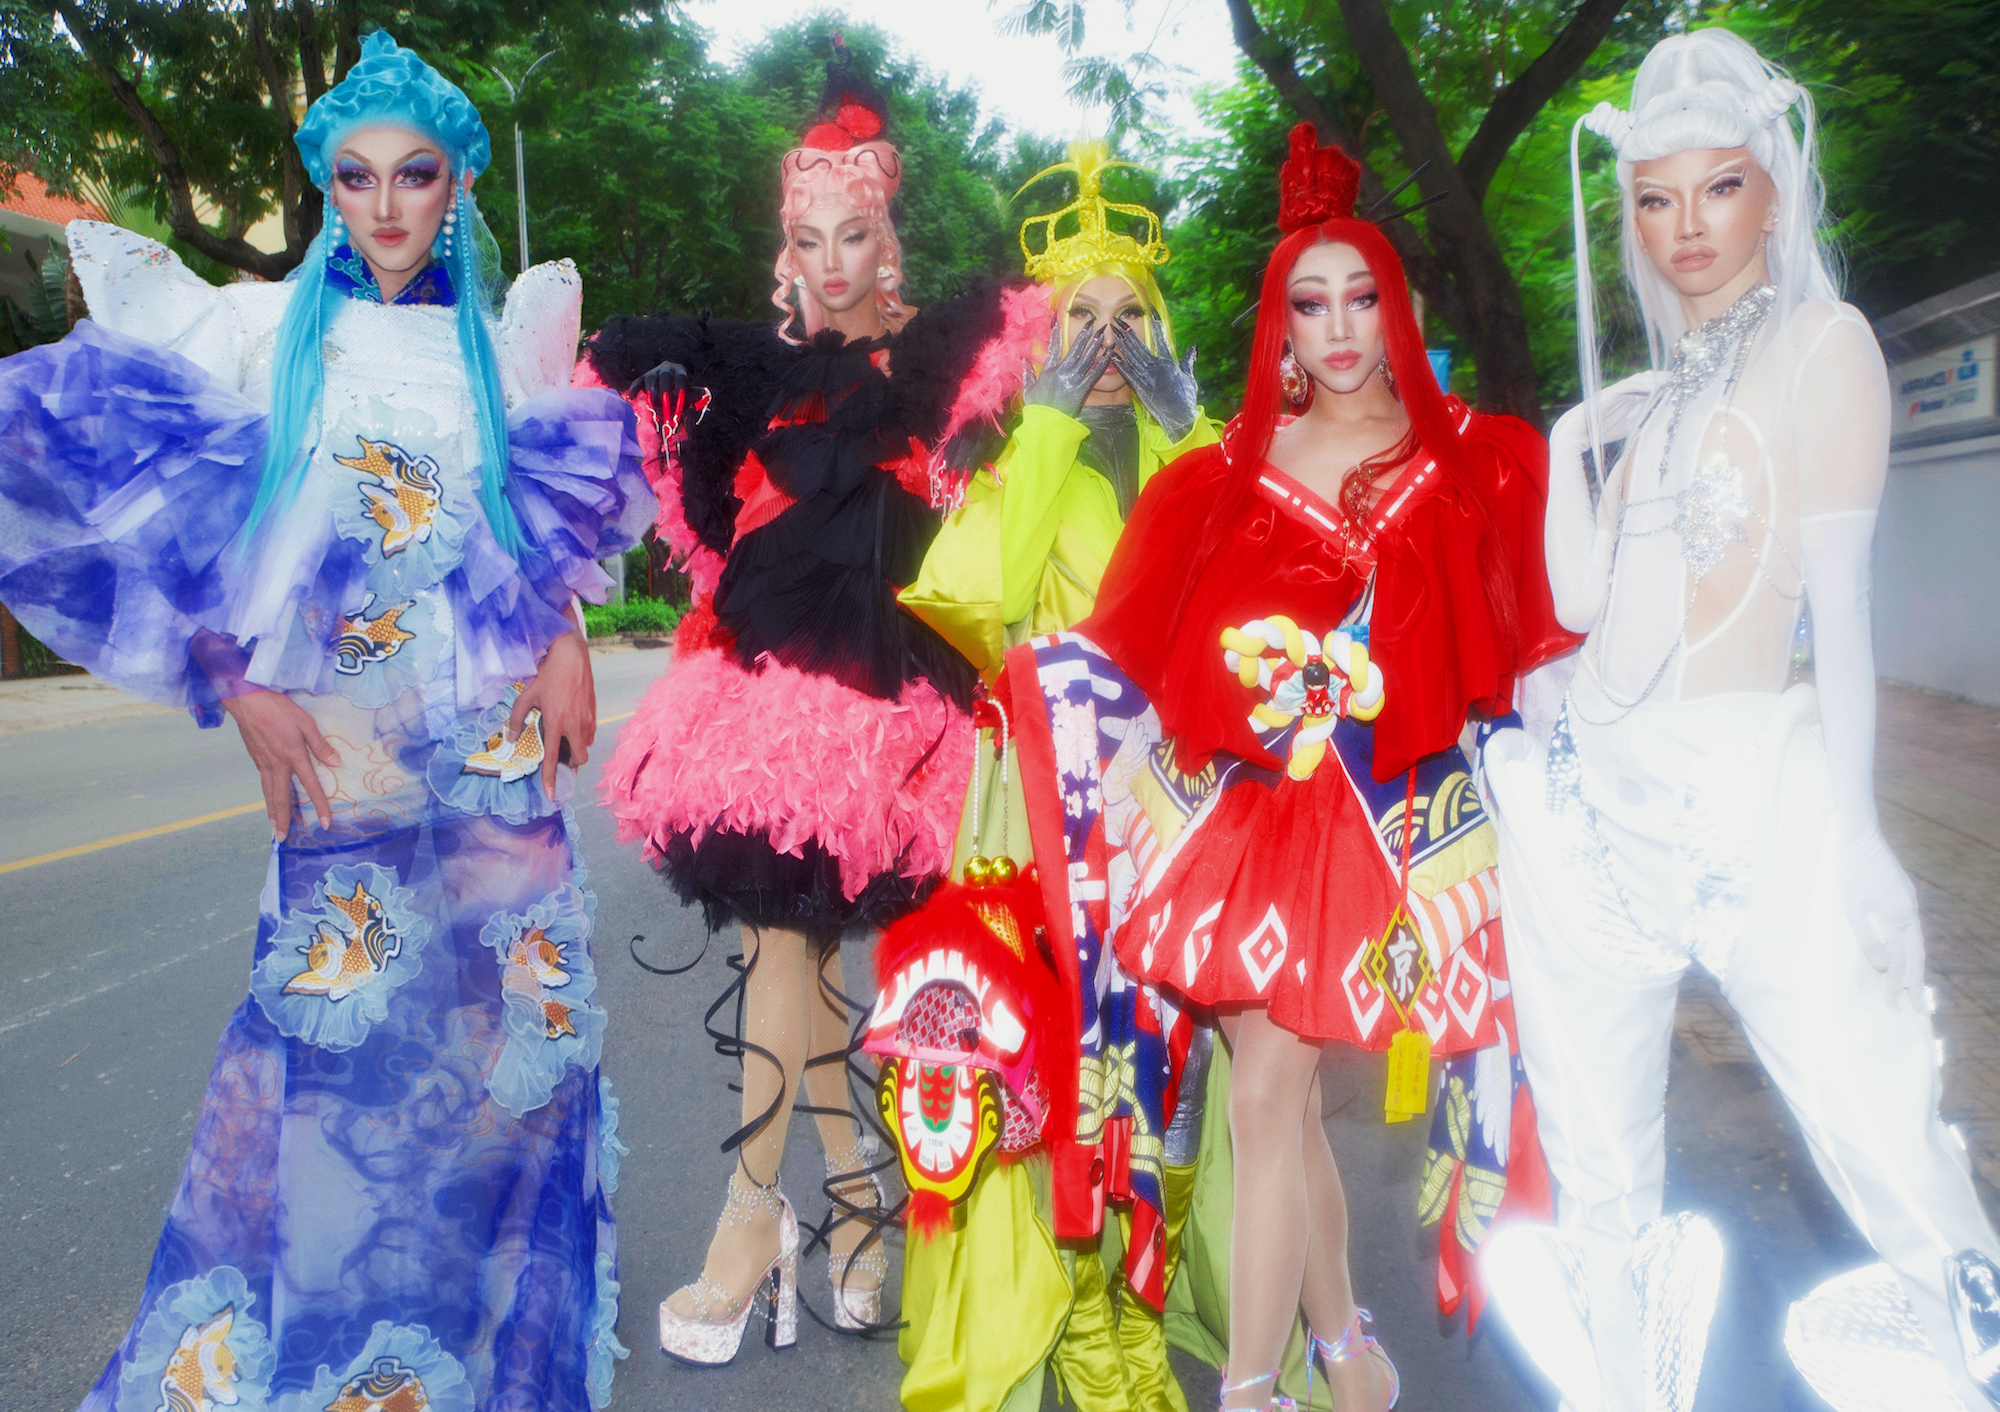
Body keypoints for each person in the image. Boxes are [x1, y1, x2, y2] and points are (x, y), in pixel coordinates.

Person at [0, 32, 649, 1411]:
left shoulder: (503, 342)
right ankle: (349, 1339)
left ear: (459, 181)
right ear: (328, 191)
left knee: (512, 1043)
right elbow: (171, 520)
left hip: (489, 750)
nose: (388, 204)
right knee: (338, 1046)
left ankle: (488, 1345)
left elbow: (536, 534)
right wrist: (235, 685)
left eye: (416, 174)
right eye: (356, 179)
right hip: (340, 750)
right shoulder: (253, 333)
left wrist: (575, 644)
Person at [1477, 28, 2000, 1412]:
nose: (1682, 227)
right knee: (1598, 1190)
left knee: (1885, 1135)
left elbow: (1847, 617)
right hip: (1589, 800)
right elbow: (1584, 603)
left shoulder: (1826, 351)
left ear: (1771, 187)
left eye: (1715, 188)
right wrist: (1567, 446)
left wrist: (1867, 837)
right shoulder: (1656, 397)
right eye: (1653, 198)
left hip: (1741, 795)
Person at [1078, 124, 1574, 1411]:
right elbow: (1163, 659)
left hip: (1381, 835)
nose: (1338, 327)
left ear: (1393, 306)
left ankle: (1253, 1386)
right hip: (1247, 834)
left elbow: (1523, 643)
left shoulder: (1473, 461)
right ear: (1276, 327)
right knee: (1274, 1104)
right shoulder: (1223, 478)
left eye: (1361, 297)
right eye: (1309, 303)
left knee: (1271, 1096)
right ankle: (1340, 1350)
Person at [579, 52, 1035, 1364]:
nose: (830, 263)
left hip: (890, 713)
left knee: (813, 961)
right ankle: (785, 1209)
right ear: (787, 244)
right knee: (784, 949)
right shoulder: (763, 370)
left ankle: (822, 1203)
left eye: (852, 235)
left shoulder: (926, 365)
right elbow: (649, 358)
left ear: (884, 235)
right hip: (767, 707)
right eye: (806, 239)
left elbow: (1039, 317)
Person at [888, 140, 1222, 1412]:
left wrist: (1189, 433)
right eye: (1077, 319)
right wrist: (1038, 431)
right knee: (1055, 1074)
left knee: (1171, 1078)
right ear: (1038, 340)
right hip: (1036, 821)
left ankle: (1142, 1321)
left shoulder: (1205, 456)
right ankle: (1069, 1330)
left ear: (1163, 328)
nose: (1104, 340)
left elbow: (1248, 603)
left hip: (1176, 821)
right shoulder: (1006, 460)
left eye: (1128, 314)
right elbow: (972, 599)